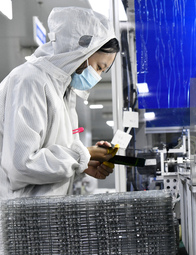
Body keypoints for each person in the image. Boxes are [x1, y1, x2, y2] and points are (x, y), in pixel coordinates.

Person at [0, 7, 120, 199]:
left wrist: (83, 163)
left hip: (41, 214)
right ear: (80, 50)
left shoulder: (63, 92)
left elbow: (53, 155)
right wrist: (83, 154)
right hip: (18, 216)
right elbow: (22, 164)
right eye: (98, 67)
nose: (97, 76)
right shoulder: (31, 81)